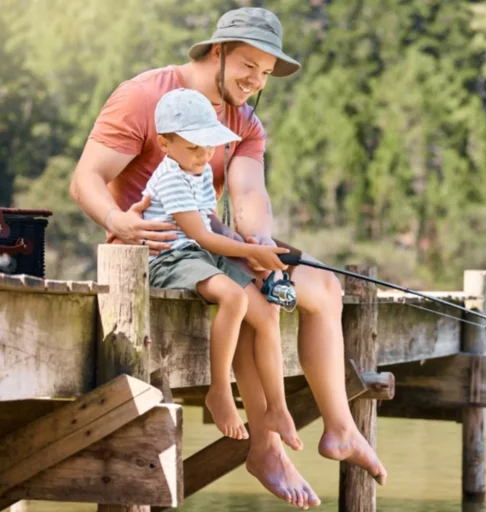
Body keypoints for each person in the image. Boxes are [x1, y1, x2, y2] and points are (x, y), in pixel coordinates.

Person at [69, 7, 386, 510]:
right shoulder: (145, 96)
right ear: (216, 51)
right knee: (247, 297)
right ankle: (266, 448)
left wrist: (258, 241)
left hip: (213, 246)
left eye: (265, 73)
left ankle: (341, 430)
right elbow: (85, 179)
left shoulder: (244, 120)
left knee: (322, 287)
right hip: (158, 258)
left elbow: (249, 195)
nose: (256, 80)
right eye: (248, 65)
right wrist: (117, 219)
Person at [143, 87, 302, 451]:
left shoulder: (196, 171)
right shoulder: (170, 176)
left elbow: (209, 224)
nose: (202, 156)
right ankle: (219, 391)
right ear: (165, 144)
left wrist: (253, 249)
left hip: (197, 254)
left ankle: (277, 407)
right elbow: (200, 235)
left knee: (266, 312)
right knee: (233, 297)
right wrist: (249, 252)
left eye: (208, 147)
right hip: (168, 257)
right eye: (193, 147)